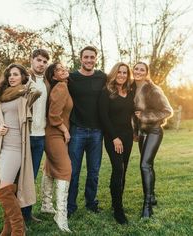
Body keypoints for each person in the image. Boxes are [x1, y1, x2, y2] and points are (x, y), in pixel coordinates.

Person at [0, 63, 40, 235]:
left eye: (16, 74)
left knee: (3, 189)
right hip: (2, 149)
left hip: (16, 148)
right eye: (9, 75)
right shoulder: (3, 98)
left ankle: (19, 229)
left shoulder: (26, 95)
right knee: (7, 189)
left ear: (23, 77)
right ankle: (7, 227)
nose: (11, 77)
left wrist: (28, 76)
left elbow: (37, 90)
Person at [67, 46, 107, 217]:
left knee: (93, 171)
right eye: (86, 57)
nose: (89, 60)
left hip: (97, 132)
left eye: (92, 57)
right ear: (80, 58)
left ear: (96, 59)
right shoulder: (72, 78)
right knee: (73, 171)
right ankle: (70, 206)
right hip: (77, 130)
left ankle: (91, 203)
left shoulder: (102, 77)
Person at [132, 61, 173, 218]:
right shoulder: (131, 88)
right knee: (148, 165)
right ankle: (152, 196)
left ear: (146, 72)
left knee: (144, 165)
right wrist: (135, 130)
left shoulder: (153, 89)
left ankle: (147, 205)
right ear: (132, 70)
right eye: (136, 69)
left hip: (154, 130)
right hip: (142, 133)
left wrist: (145, 115)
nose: (139, 71)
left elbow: (167, 111)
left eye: (142, 69)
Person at [98, 62, 134, 224]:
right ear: (114, 73)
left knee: (124, 170)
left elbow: (132, 112)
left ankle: (116, 203)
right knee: (118, 169)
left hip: (128, 136)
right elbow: (103, 117)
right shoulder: (107, 92)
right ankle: (118, 211)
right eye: (119, 72)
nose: (122, 75)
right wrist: (114, 138)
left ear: (128, 75)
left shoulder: (130, 92)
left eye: (125, 73)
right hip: (113, 137)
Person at [42, 62, 73, 232]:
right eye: (59, 70)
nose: (64, 70)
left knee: (49, 167)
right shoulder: (61, 87)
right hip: (54, 134)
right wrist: (65, 130)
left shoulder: (63, 85)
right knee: (65, 169)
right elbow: (53, 116)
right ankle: (61, 215)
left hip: (54, 134)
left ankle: (46, 204)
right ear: (54, 76)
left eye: (64, 67)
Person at [21, 48, 50, 224]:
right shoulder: (24, 80)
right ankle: (15, 215)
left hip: (41, 136)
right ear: (31, 60)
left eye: (45, 62)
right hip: (26, 135)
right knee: (21, 176)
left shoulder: (47, 82)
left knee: (31, 178)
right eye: (39, 60)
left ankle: (27, 214)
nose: (41, 64)